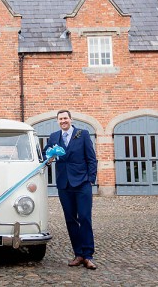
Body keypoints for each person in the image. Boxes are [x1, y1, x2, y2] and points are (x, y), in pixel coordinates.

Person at [45, 110, 98, 269]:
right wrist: (48, 158)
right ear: (57, 121)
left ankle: (88, 256)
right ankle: (78, 254)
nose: (63, 121)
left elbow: (91, 159)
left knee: (84, 218)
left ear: (70, 119)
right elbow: (45, 154)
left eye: (65, 118)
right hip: (64, 184)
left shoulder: (83, 134)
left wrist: (90, 179)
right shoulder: (54, 137)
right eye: (60, 119)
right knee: (70, 221)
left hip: (82, 183)